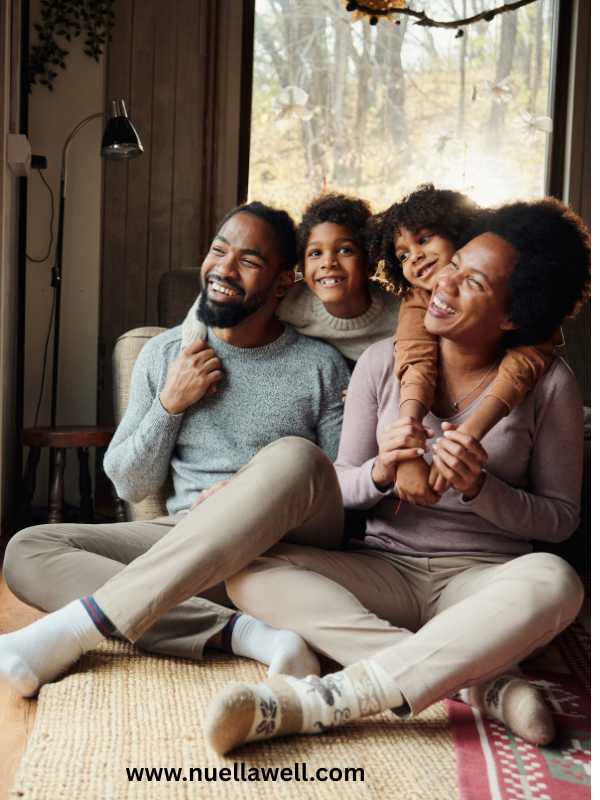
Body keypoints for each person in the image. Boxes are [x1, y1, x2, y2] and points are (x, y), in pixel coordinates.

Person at [203, 197, 590, 756]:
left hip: (480, 581)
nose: (442, 287)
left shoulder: (551, 383)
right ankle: (481, 681)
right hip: (383, 569)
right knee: (250, 572)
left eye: (471, 284)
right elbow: (337, 484)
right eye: (452, 266)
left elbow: (560, 520)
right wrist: (381, 472)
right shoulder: (382, 363)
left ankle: (329, 699)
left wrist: (483, 489)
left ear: (512, 316)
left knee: (558, 582)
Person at [0, 201, 353, 697]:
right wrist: (171, 403)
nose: (224, 270)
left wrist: (244, 495)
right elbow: (128, 482)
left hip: (283, 549)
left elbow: (339, 482)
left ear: (282, 282)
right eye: (218, 250)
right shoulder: (166, 354)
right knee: (29, 549)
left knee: (294, 454)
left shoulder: (320, 366)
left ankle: (103, 622)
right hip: (184, 542)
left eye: (248, 261)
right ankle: (249, 634)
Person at [372, 184, 563, 503]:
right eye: (402, 255)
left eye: (424, 239)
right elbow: (415, 359)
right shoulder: (415, 304)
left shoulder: (527, 320)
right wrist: (405, 450)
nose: (415, 257)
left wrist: (470, 435)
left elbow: (525, 363)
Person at [181, 193, 401, 368]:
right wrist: (189, 351)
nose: (329, 262)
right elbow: (216, 295)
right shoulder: (292, 301)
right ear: (302, 270)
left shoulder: (398, 316)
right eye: (315, 253)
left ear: (370, 262)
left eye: (345, 250)